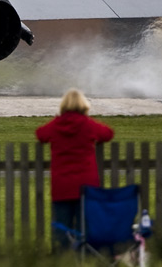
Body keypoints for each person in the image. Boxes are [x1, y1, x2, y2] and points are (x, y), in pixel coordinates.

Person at [35, 88, 114, 251]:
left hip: (62, 185)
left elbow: (41, 134)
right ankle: (86, 258)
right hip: (87, 186)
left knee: (62, 227)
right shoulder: (88, 125)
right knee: (85, 227)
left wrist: (56, 120)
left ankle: (62, 261)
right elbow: (107, 133)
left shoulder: (56, 125)